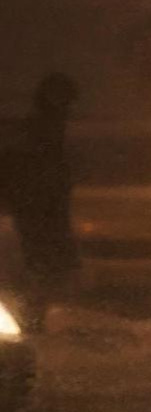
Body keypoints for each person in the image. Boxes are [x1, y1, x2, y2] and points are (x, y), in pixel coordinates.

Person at [1, 73, 81, 320]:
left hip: (40, 208)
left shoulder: (44, 132)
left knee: (42, 266)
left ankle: (41, 314)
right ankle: (39, 314)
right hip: (37, 208)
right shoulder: (41, 133)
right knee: (40, 265)